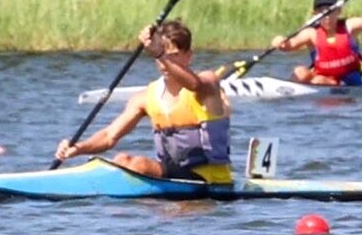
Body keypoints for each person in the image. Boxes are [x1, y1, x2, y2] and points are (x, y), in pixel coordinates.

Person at [55, 21, 234, 182]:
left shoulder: (208, 83)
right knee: (121, 160)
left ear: (189, 56)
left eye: (174, 55)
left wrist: (160, 54)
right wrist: (79, 148)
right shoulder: (145, 97)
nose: (164, 63)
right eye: (161, 57)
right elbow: (109, 136)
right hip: (173, 178)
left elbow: (195, 84)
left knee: (138, 165)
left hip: (211, 180)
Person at [270, 0, 362, 86]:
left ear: (339, 11)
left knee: (318, 80)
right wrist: (278, 41)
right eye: (321, 11)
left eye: (330, 11)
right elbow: (288, 45)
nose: (327, 16)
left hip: (350, 79)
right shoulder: (311, 34)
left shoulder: (349, 26)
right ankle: (287, 93)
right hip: (322, 78)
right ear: (315, 14)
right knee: (300, 72)